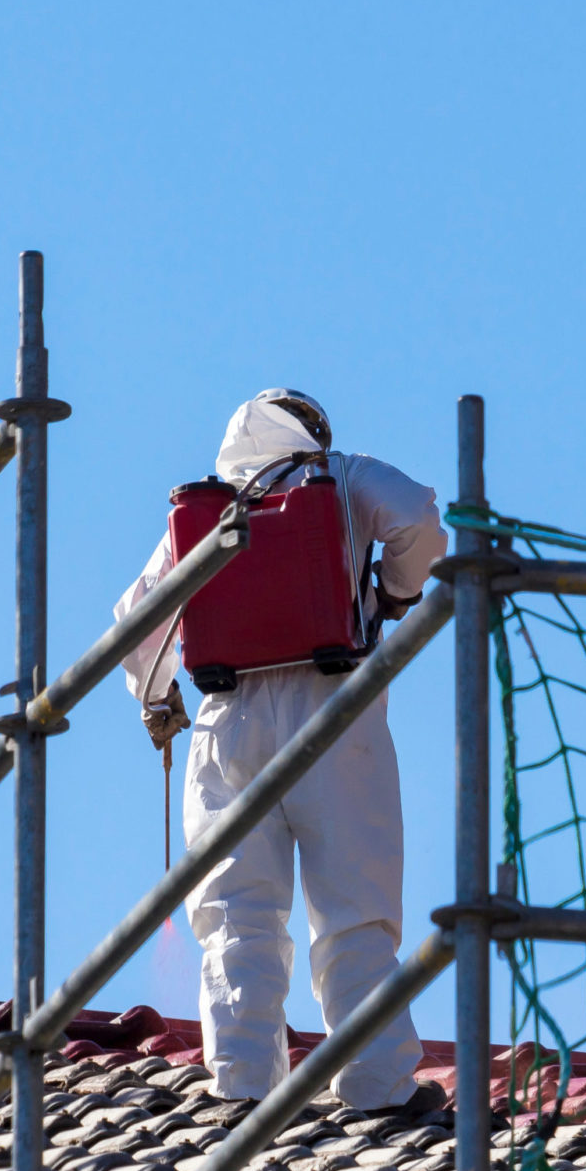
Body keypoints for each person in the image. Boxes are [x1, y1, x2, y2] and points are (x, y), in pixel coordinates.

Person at [116, 389, 448, 1113]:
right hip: (335, 710)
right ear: (313, 429)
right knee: (355, 906)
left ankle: (242, 1085)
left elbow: (139, 622)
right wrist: (394, 594)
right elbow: (422, 518)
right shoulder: (342, 475)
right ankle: (375, 1087)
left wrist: (156, 698)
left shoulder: (208, 509)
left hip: (226, 717)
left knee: (237, 912)